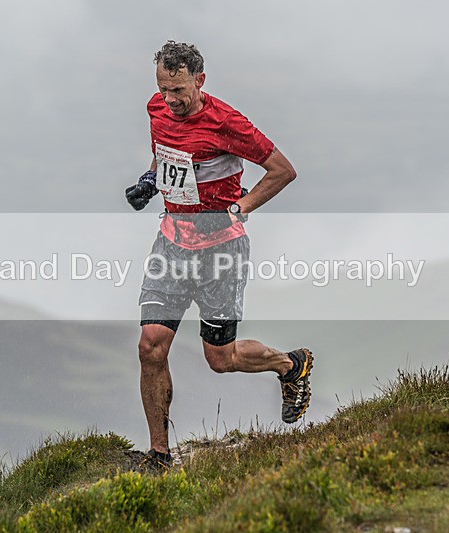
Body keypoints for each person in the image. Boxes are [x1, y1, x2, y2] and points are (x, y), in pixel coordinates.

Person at [125, 41, 313, 471]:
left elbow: (284, 170)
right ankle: (159, 455)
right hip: (171, 245)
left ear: (200, 81)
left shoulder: (227, 122)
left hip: (220, 252)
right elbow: (167, 156)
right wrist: (149, 180)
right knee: (150, 347)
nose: (170, 101)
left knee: (220, 359)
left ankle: (290, 365)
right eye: (163, 89)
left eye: (180, 91)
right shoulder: (156, 109)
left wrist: (241, 207)